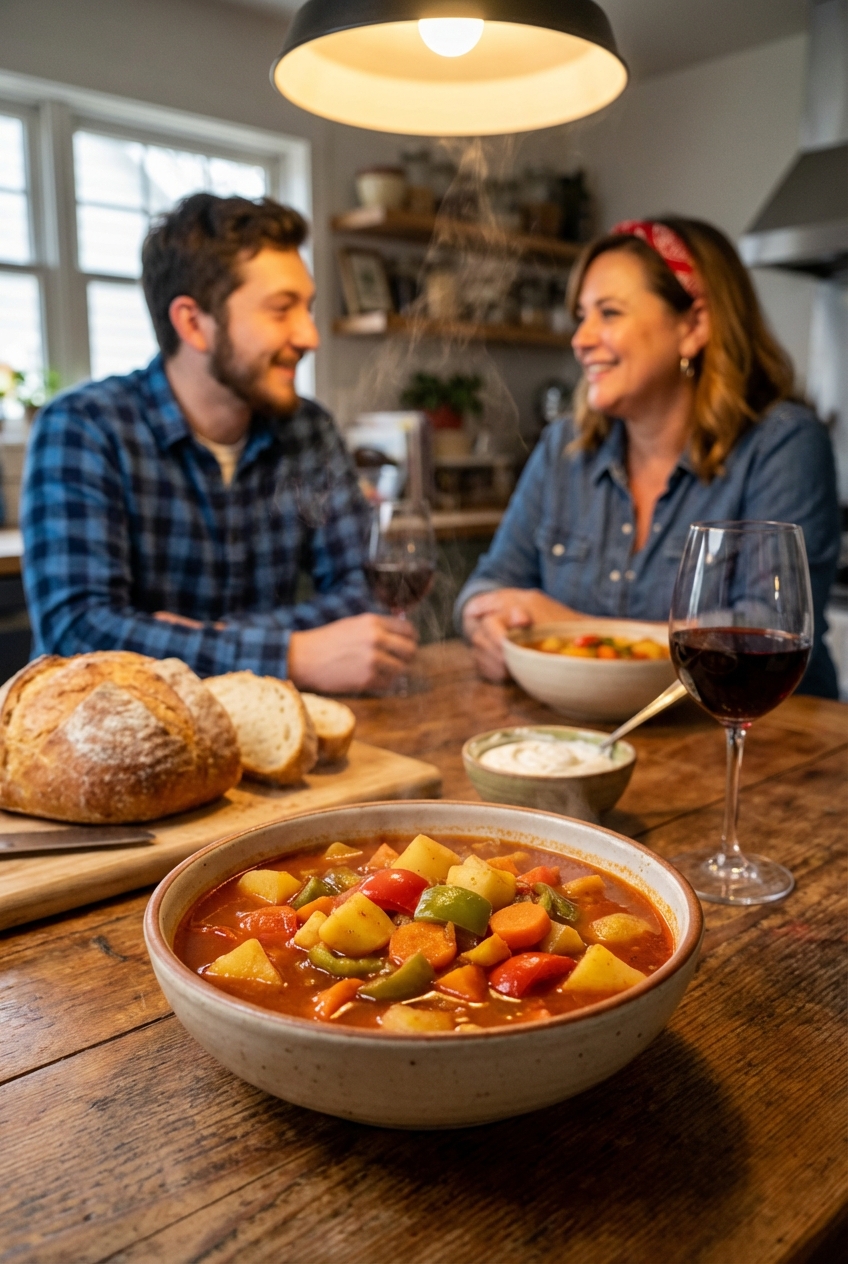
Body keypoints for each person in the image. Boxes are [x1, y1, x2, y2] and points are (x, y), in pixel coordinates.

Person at [21, 194, 416, 692]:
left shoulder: (307, 430)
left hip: (266, 732)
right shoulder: (84, 427)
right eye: (281, 310)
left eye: (308, 308)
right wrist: (289, 655)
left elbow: (366, 592)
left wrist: (215, 640)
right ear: (192, 323)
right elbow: (78, 632)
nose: (309, 336)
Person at [457, 217, 840, 697]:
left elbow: (766, 627)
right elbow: (486, 584)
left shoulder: (784, 444)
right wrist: (489, 627)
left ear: (693, 325)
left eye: (609, 313)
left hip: (766, 744)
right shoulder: (564, 448)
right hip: (588, 735)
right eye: (581, 315)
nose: (580, 339)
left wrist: (574, 632)